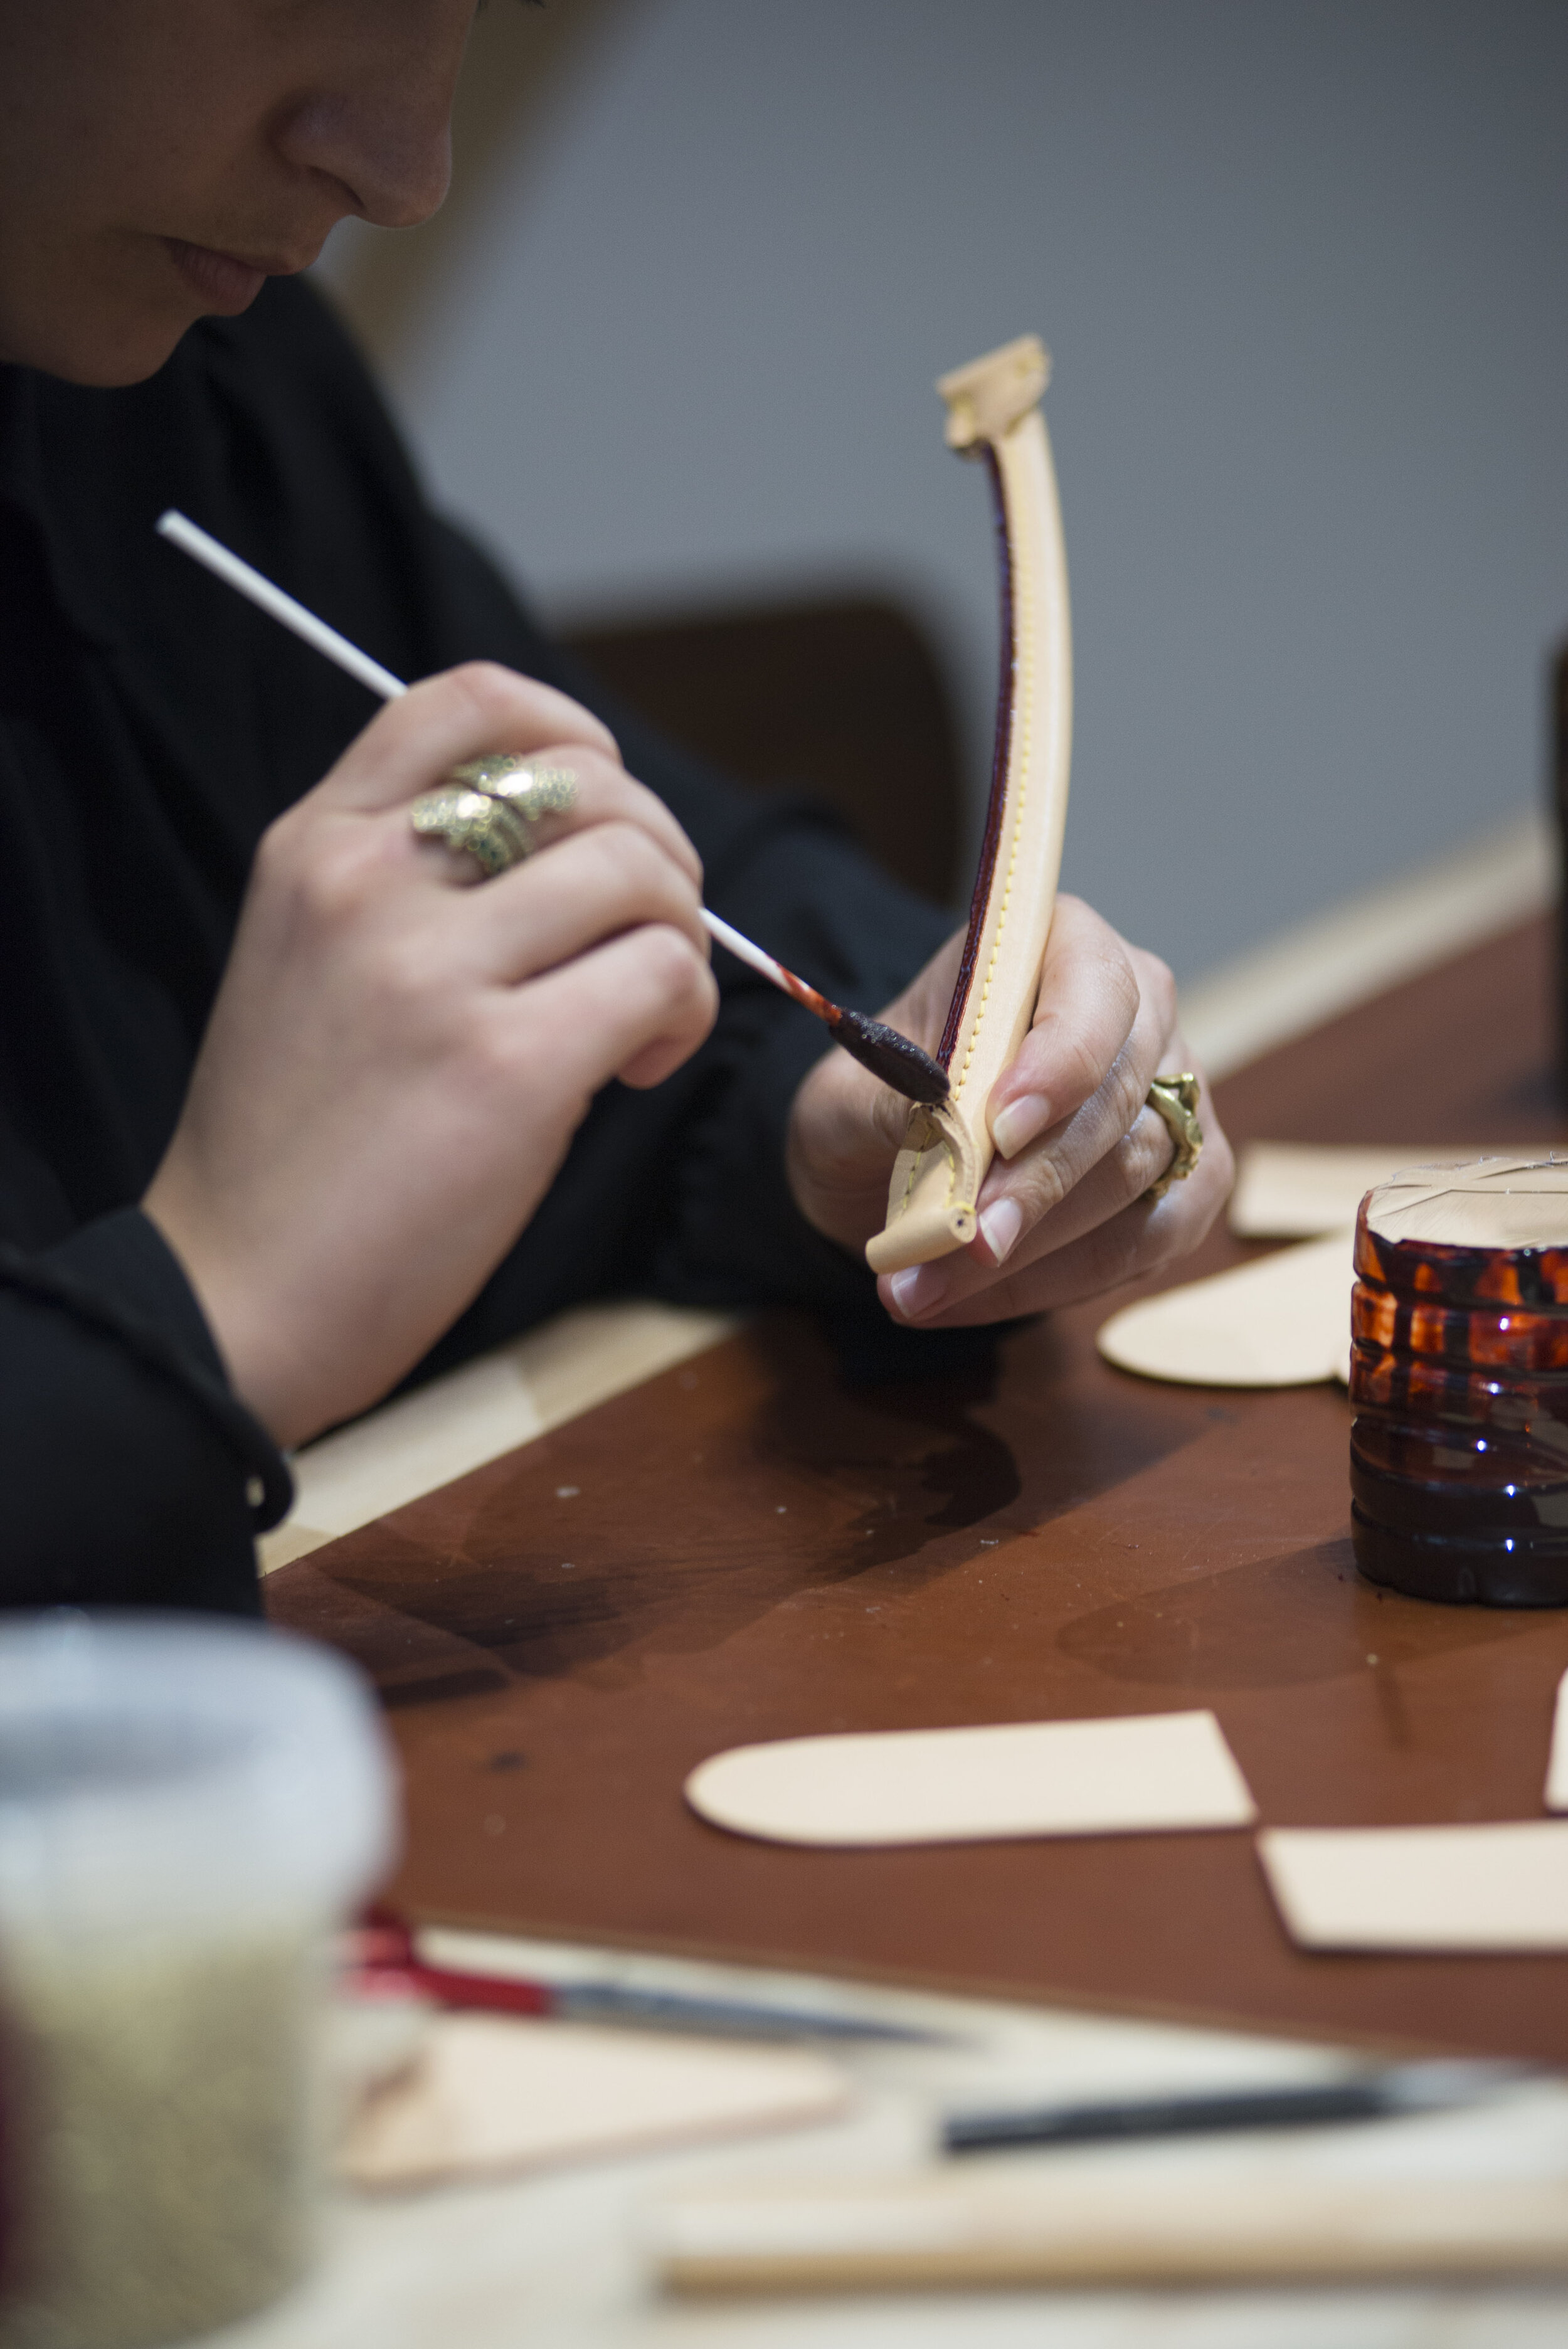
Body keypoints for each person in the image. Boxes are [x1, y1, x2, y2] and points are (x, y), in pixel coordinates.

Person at [0, 0, 1231, 1615]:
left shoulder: (179, 390)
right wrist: (206, 1312)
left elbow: (639, 868)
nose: (406, 169)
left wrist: (846, 1101)